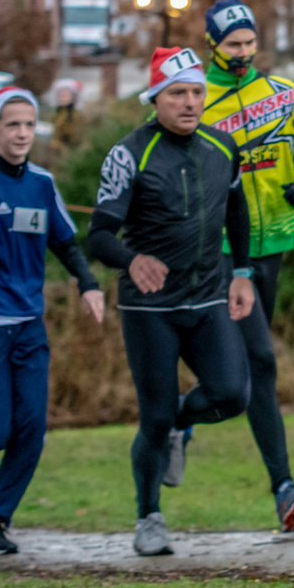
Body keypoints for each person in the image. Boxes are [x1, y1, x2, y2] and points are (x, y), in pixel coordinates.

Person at [87, 47, 255, 556]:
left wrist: (242, 272)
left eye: (196, 92)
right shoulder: (128, 153)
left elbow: (237, 211)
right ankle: (149, 516)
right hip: (149, 306)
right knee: (153, 417)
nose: (189, 103)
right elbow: (97, 235)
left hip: (206, 296)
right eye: (177, 93)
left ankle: (185, 423)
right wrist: (130, 258)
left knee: (232, 393)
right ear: (155, 99)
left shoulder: (223, 147)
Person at [197, 0, 294, 532]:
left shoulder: (286, 96)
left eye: (250, 43)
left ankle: (176, 420)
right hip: (223, 255)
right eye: (233, 45)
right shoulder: (193, 100)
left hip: (274, 246)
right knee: (262, 362)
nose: (244, 53)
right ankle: (285, 490)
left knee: (246, 374)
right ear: (211, 44)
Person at [0, 87, 104, 555]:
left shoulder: (41, 183)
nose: (20, 134)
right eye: (11, 125)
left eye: (28, 125)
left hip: (30, 324)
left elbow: (66, 244)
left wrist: (90, 285)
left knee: (32, 426)